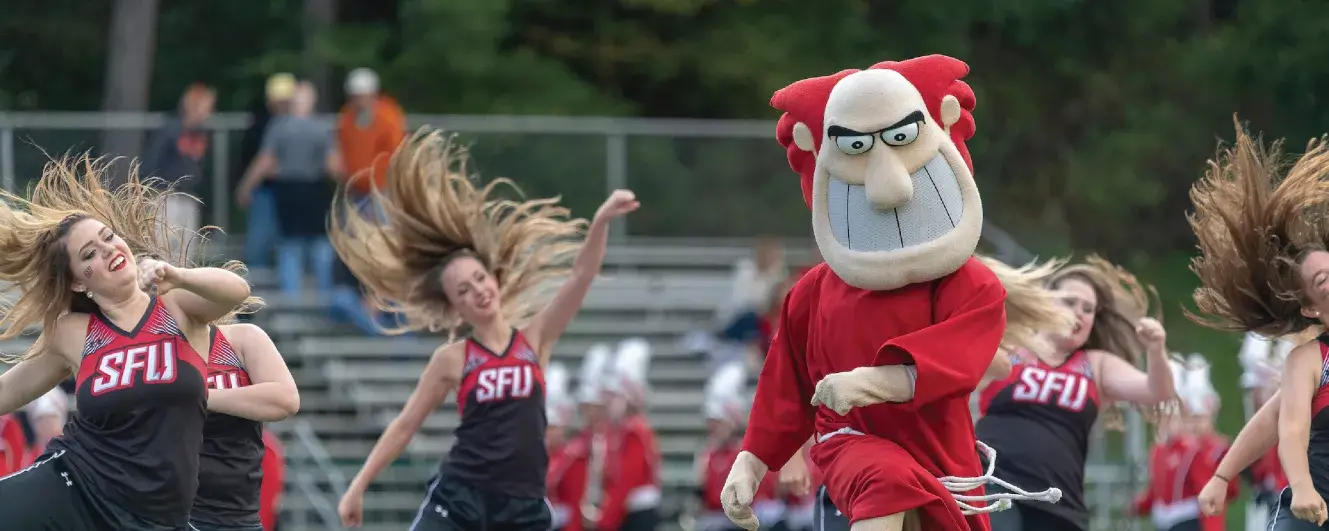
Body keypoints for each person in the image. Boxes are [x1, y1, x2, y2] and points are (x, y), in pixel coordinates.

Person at [720, 56, 1073, 531]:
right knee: (886, 480)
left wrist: (868, 382)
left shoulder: (970, 283)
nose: (887, 184)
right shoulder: (814, 291)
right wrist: (751, 461)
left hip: (943, 457)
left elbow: (957, 363)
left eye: (901, 139)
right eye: (858, 147)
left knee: (907, 489)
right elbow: (787, 383)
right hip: (851, 443)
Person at [330, 130, 639, 530]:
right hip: (461, 498)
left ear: (493, 277)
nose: (477, 291)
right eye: (463, 290)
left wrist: (600, 221)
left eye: (479, 279)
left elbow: (581, 275)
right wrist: (359, 485)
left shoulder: (535, 338)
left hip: (523, 506)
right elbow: (406, 424)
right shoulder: (452, 358)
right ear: (453, 306)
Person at [0, 155, 255, 529]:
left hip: (154, 518)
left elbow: (236, 291)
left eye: (108, 237)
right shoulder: (73, 330)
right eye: (89, 255)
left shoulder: (176, 306)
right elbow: (7, 392)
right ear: (78, 283)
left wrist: (179, 276)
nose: (107, 250)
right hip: (76, 488)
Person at [1185, 119, 1329, 530]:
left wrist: (1222, 474)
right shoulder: (1311, 359)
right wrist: (1299, 487)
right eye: (1323, 281)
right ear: (1309, 309)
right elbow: (1287, 424)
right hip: (1317, 508)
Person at [976, 256, 1176, 531]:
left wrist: (1156, 349)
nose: (1079, 312)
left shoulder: (1096, 364)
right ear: (1047, 302)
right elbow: (959, 378)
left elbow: (1158, 390)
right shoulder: (1012, 345)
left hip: (1059, 503)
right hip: (995, 483)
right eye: (1070, 302)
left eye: (1088, 308)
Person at [190, 322, 300, 531]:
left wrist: (198, 397)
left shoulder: (241, 338)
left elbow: (286, 399)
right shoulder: (143, 345)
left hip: (231, 515)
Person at [236, 81, 342, 296]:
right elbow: (334, 166)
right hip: (314, 191)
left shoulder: (279, 127)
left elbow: (265, 161)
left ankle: (291, 304)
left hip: (289, 193)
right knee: (320, 248)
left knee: (290, 249)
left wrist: (246, 186)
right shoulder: (321, 128)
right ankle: (324, 302)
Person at [1131, 355, 1236, 531]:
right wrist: (1138, 505)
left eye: (1170, 417)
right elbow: (1156, 490)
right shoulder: (1157, 451)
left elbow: (1207, 495)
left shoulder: (1192, 451)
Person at [588, 339, 663, 530]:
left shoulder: (634, 431)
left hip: (637, 515)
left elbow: (627, 481)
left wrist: (605, 520)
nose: (607, 402)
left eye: (613, 396)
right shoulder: (619, 430)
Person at [143, 83, 217, 255]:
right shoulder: (172, 129)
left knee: (186, 250)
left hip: (189, 196)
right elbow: (152, 161)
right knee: (163, 247)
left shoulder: (203, 133)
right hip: (167, 195)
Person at [240, 73, 297, 269]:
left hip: (290, 190)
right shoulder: (261, 124)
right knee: (261, 240)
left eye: (286, 100)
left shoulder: (294, 125)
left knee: (289, 242)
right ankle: (255, 290)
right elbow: (259, 160)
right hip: (266, 190)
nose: (282, 104)